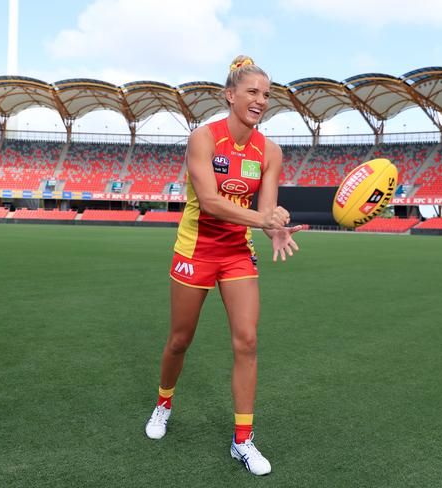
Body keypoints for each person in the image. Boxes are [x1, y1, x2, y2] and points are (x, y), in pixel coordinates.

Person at [145, 55, 301, 476]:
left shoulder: (270, 151)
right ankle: (163, 404)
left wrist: (276, 227)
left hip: (236, 253)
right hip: (195, 249)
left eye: (266, 95)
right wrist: (262, 219)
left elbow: (266, 209)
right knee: (180, 340)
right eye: (252, 92)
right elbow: (212, 202)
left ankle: (243, 440)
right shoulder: (203, 138)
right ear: (230, 95)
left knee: (247, 341)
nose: (260, 100)